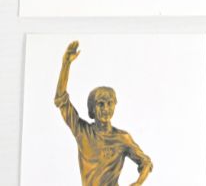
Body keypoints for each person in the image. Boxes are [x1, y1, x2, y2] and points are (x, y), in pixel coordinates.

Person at [55, 41, 153, 186]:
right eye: (100, 104)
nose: (106, 108)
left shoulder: (122, 138)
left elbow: (146, 163)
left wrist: (137, 183)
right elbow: (61, 100)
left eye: (109, 103)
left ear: (115, 105)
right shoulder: (82, 131)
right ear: (92, 109)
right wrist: (66, 65)